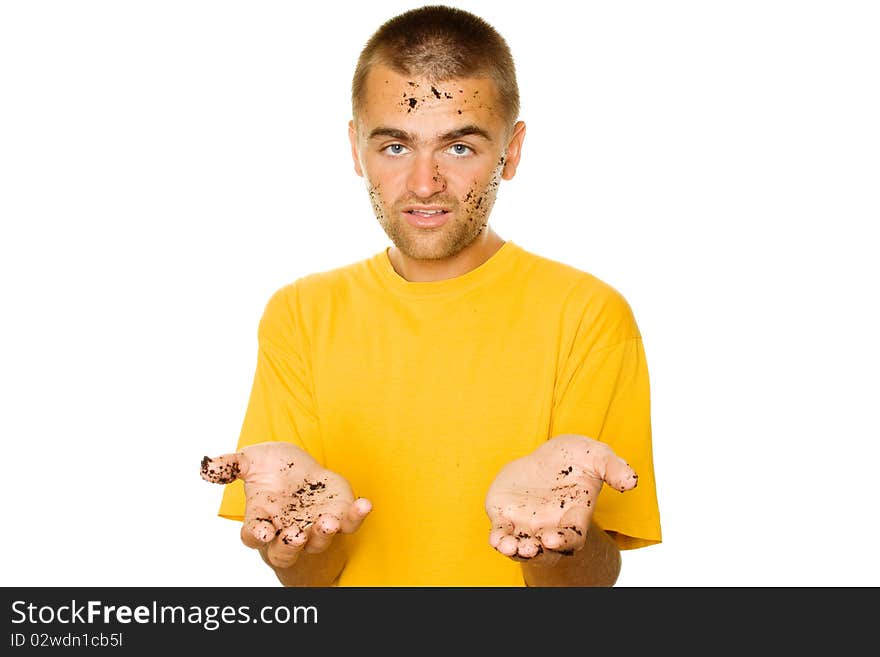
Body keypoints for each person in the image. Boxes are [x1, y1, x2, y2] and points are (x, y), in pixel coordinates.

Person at [201, 4, 661, 587]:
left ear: (511, 151)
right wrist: (300, 538)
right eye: (395, 147)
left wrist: (549, 547)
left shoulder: (589, 316)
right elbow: (312, 581)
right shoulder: (299, 315)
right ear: (355, 148)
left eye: (459, 147)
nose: (424, 183)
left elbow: (588, 586)